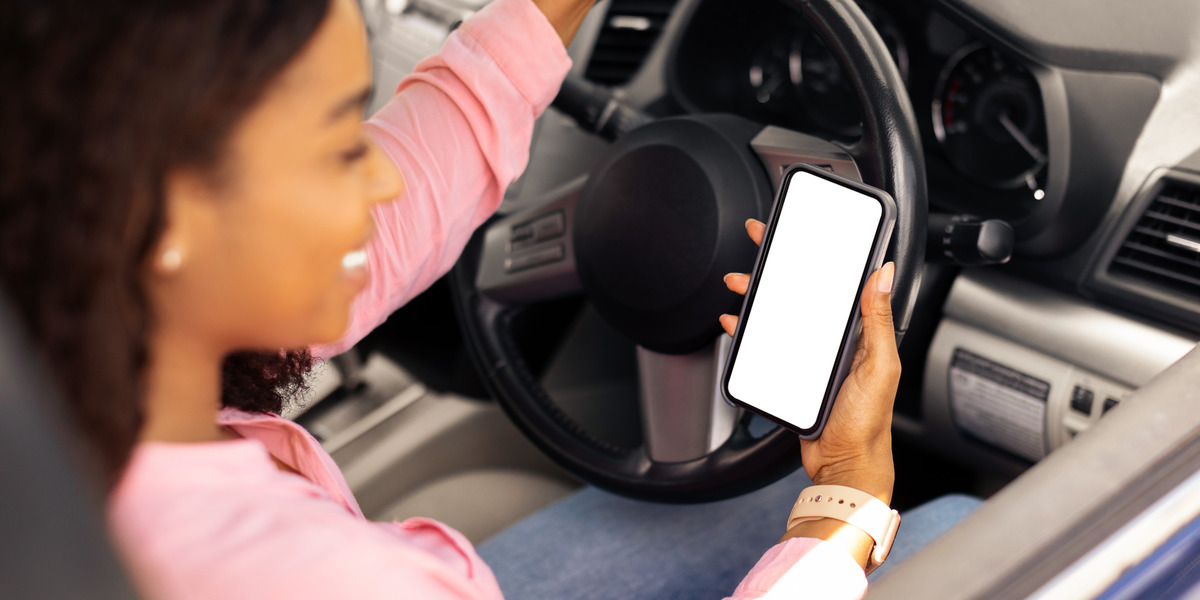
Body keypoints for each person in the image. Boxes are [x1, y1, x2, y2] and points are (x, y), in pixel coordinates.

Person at [0, 0, 971, 598]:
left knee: (727, 511)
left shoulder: (69, 351)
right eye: (344, 147)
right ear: (166, 214)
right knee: (959, 526)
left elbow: (424, 163)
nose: (378, 184)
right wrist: (846, 501)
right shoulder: (314, 580)